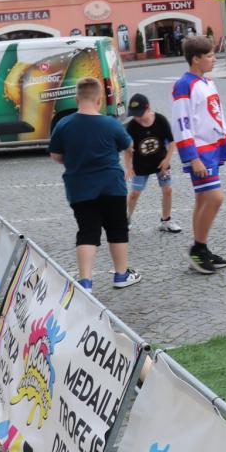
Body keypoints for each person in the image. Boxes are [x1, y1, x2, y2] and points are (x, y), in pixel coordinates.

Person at [48, 77, 142, 291]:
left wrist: (72, 161)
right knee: (117, 229)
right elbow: (129, 146)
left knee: (87, 231)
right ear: (99, 100)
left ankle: (85, 281)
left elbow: (55, 155)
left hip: (79, 187)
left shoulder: (64, 124)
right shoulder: (110, 123)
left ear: (76, 98)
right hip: (112, 186)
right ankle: (121, 274)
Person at [173, 35, 226, 274]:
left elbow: (218, 118)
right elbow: (181, 124)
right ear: (196, 59)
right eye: (210, 56)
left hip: (213, 149)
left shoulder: (208, 82)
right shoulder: (184, 85)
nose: (214, 59)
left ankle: (201, 250)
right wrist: (192, 158)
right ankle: (198, 248)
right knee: (215, 198)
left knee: (203, 200)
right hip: (199, 152)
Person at [123, 93, 181, 233]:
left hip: (160, 162)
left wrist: (167, 160)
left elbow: (172, 142)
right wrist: (128, 167)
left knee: (167, 190)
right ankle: (125, 220)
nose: (137, 117)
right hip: (140, 165)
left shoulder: (160, 120)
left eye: (139, 114)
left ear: (148, 108)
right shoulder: (131, 126)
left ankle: (165, 221)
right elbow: (128, 150)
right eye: (134, 114)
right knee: (135, 193)